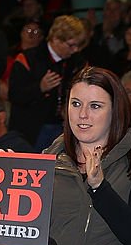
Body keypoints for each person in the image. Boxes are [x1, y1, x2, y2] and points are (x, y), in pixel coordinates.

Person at [46, 67, 131, 245]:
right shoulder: (49, 158)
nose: (83, 114)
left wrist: (99, 188)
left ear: (115, 110)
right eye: (75, 104)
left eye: (95, 106)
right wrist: (13, 184)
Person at [8, 15, 88, 149]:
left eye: (78, 45)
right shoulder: (27, 58)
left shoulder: (78, 62)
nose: (75, 50)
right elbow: (14, 95)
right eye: (71, 45)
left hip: (64, 127)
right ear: (56, 39)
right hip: (32, 129)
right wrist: (40, 88)